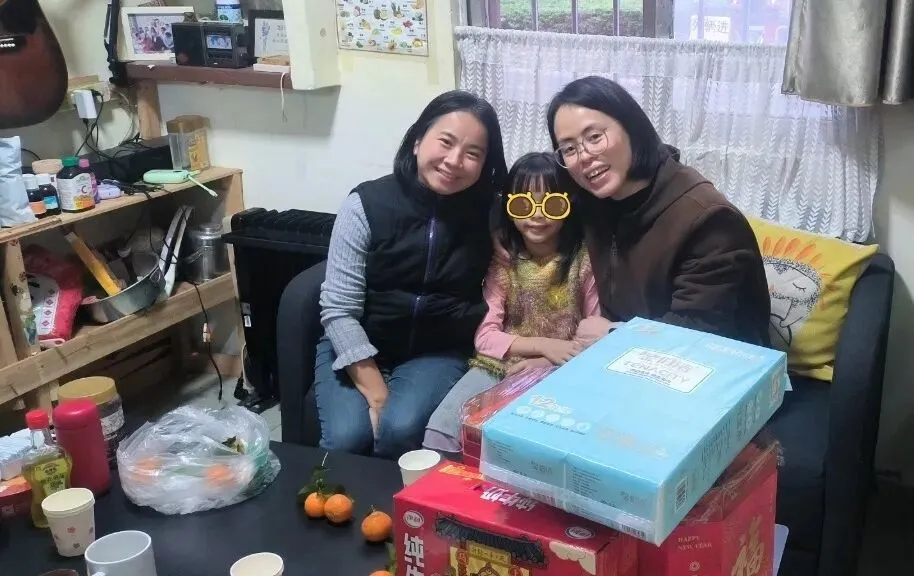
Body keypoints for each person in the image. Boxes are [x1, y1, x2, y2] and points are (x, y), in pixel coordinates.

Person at [316, 90, 508, 459]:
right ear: (418, 140)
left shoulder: (491, 214)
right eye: (446, 142)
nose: (454, 161)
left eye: (473, 153)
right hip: (359, 340)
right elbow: (338, 309)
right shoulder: (366, 204)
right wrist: (377, 394)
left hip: (438, 349)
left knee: (400, 429)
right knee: (345, 439)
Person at [542, 75, 771, 346]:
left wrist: (614, 334)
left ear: (631, 127)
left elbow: (702, 331)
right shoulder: (595, 201)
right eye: (569, 148)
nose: (584, 156)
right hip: (622, 355)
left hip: (710, 361)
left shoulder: (708, 219)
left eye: (594, 137)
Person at [424, 152, 600, 453]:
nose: (537, 215)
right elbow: (485, 338)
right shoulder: (503, 260)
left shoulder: (584, 260)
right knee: (441, 432)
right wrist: (544, 345)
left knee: (524, 446)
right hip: (499, 363)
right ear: (508, 207)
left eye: (552, 204)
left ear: (569, 204)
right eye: (523, 204)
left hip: (564, 366)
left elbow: (595, 338)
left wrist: (548, 359)